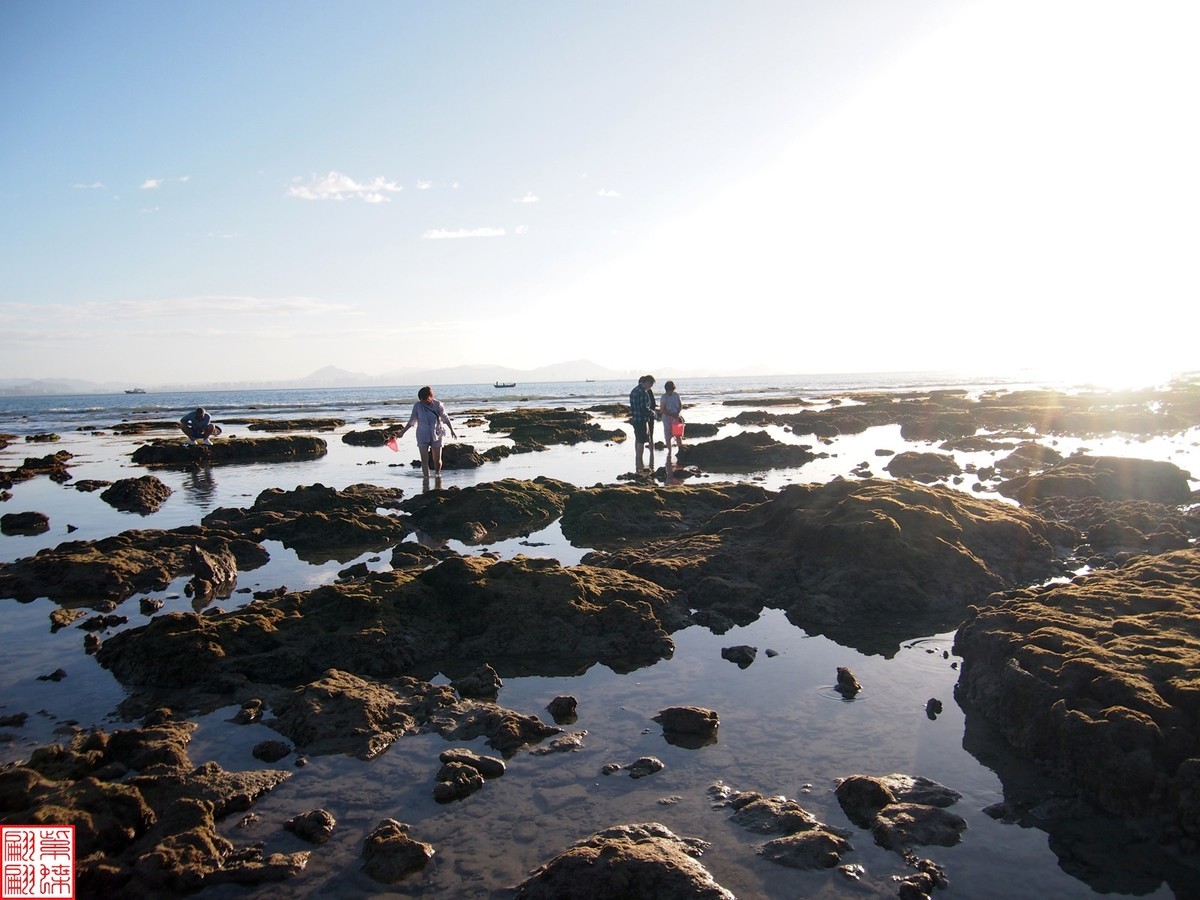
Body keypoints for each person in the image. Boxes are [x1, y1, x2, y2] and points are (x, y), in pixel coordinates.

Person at [397, 386, 457, 477]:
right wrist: (402, 432)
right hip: (422, 434)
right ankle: (426, 478)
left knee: (437, 460)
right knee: (424, 460)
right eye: (422, 399)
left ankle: (437, 474)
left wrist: (452, 430)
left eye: (426, 399)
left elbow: (445, 418)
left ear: (431, 396)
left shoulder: (438, 404)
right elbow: (412, 421)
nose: (424, 401)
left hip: (437, 434)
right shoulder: (417, 406)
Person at [629, 374, 657, 471]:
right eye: (651, 384)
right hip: (642, 419)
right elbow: (643, 408)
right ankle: (639, 459)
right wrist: (652, 413)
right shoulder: (643, 392)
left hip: (635, 419)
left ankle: (637, 458)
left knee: (637, 438)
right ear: (647, 382)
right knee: (641, 440)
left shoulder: (634, 390)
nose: (650, 387)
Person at [660, 380, 684, 456]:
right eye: (669, 390)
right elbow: (662, 409)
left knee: (678, 435)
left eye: (672, 390)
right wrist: (671, 414)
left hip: (676, 417)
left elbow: (680, 405)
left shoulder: (676, 395)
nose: (671, 392)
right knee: (668, 435)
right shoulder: (664, 397)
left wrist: (677, 412)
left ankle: (680, 450)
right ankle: (669, 452)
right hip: (667, 418)